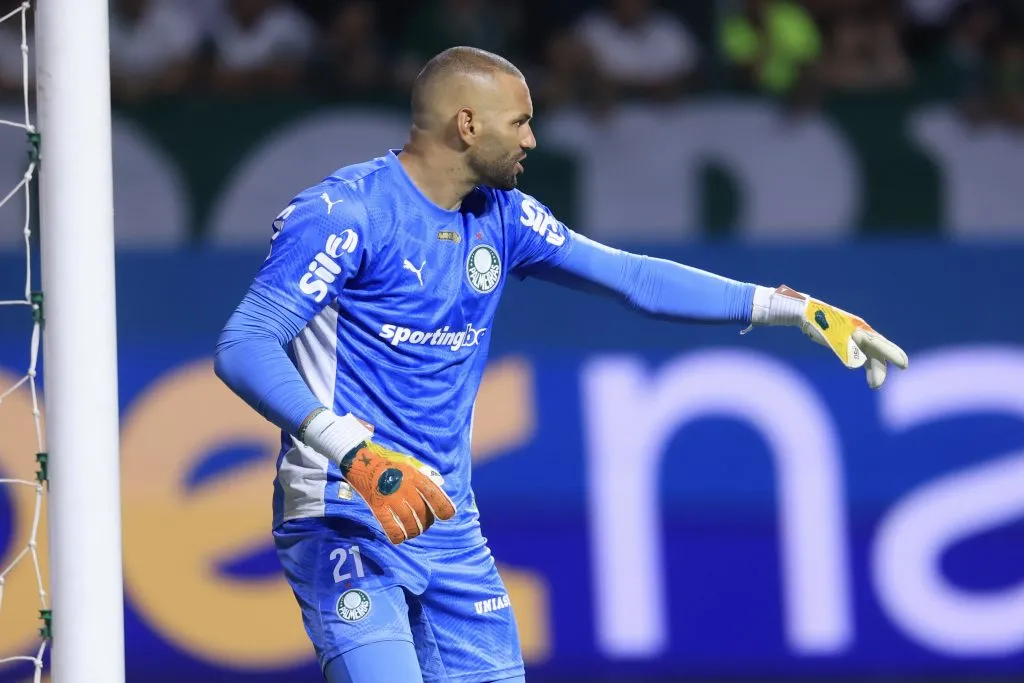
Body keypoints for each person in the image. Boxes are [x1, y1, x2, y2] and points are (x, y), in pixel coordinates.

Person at [213, 46, 907, 683]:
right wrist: (356, 453)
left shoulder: (504, 217)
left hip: (448, 523)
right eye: (520, 122)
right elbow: (244, 344)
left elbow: (632, 277)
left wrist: (791, 308)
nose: (532, 140)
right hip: (346, 508)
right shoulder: (347, 212)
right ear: (467, 124)